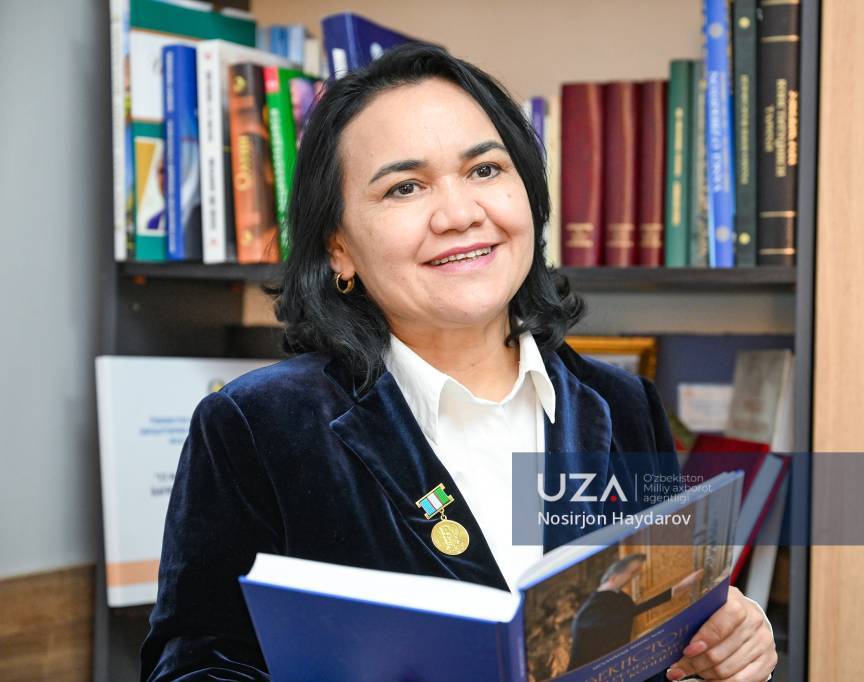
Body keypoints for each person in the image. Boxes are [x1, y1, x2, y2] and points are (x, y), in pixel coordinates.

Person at [139, 42, 777, 682]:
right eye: (405, 187)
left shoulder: (624, 406)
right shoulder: (258, 425)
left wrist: (717, 652)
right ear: (338, 248)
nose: (460, 214)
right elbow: (194, 669)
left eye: (485, 170)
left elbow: (654, 648)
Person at [568, 556, 703, 670]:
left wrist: (677, 589)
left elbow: (630, 613)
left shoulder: (620, 598)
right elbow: (628, 614)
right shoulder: (592, 608)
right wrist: (677, 589)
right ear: (614, 577)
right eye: (633, 572)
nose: (635, 577)